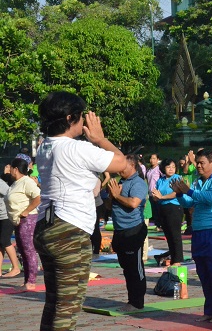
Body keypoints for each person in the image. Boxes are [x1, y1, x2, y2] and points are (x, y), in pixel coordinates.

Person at [34, 91, 126, 330]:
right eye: (81, 116)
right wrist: (101, 139)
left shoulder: (45, 147)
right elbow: (122, 164)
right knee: (68, 308)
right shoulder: (75, 148)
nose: (84, 121)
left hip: (47, 225)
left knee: (54, 303)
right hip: (70, 231)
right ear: (69, 118)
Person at [171, 149, 212, 324]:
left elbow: (211, 198)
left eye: (202, 162)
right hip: (198, 231)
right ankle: (209, 310)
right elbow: (189, 202)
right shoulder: (198, 181)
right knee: (203, 273)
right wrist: (180, 193)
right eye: (197, 162)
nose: (198, 165)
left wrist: (188, 191)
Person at [108, 154, 148, 312]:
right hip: (120, 230)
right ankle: (131, 300)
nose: (119, 170)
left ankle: (137, 302)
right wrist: (112, 196)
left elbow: (133, 203)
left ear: (133, 166)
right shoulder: (120, 182)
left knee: (135, 268)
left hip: (134, 230)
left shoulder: (138, 183)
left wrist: (117, 196)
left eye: (122, 166)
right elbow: (109, 206)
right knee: (126, 267)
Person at [5, 157, 41, 291]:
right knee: (22, 251)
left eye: (11, 168)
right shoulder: (16, 183)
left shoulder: (27, 181)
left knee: (28, 250)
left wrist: (26, 211)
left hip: (28, 219)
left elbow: (37, 197)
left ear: (16, 169)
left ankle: (31, 281)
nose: (9, 170)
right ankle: (27, 280)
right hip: (18, 220)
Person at [150, 158, 184, 266]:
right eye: (168, 167)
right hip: (163, 208)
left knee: (175, 235)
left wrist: (162, 197)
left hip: (174, 208)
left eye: (173, 167)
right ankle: (173, 258)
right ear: (163, 168)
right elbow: (157, 195)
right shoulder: (161, 180)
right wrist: (156, 197)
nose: (171, 169)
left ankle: (178, 260)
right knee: (168, 236)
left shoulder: (177, 178)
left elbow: (176, 193)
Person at [0, 172, 21, 277]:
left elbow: (10, 193)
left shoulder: (0, 183)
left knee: (5, 241)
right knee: (0, 243)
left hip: (6, 216)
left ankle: (16, 268)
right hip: (1, 216)